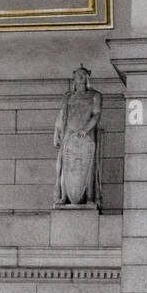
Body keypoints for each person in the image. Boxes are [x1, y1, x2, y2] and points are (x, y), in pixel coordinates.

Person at [54, 65, 102, 207]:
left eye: (83, 74)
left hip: (85, 136)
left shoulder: (95, 95)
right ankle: (64, 197)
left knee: (87, 166)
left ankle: (89, 197)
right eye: (78, 74)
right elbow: (61, 115)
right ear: (74, 77)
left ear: (87, 77)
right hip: (68, 135)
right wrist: (56, 132)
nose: (80, 76)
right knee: (65, 165)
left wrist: (86, 129)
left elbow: (96, 114)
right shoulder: (67, 96)